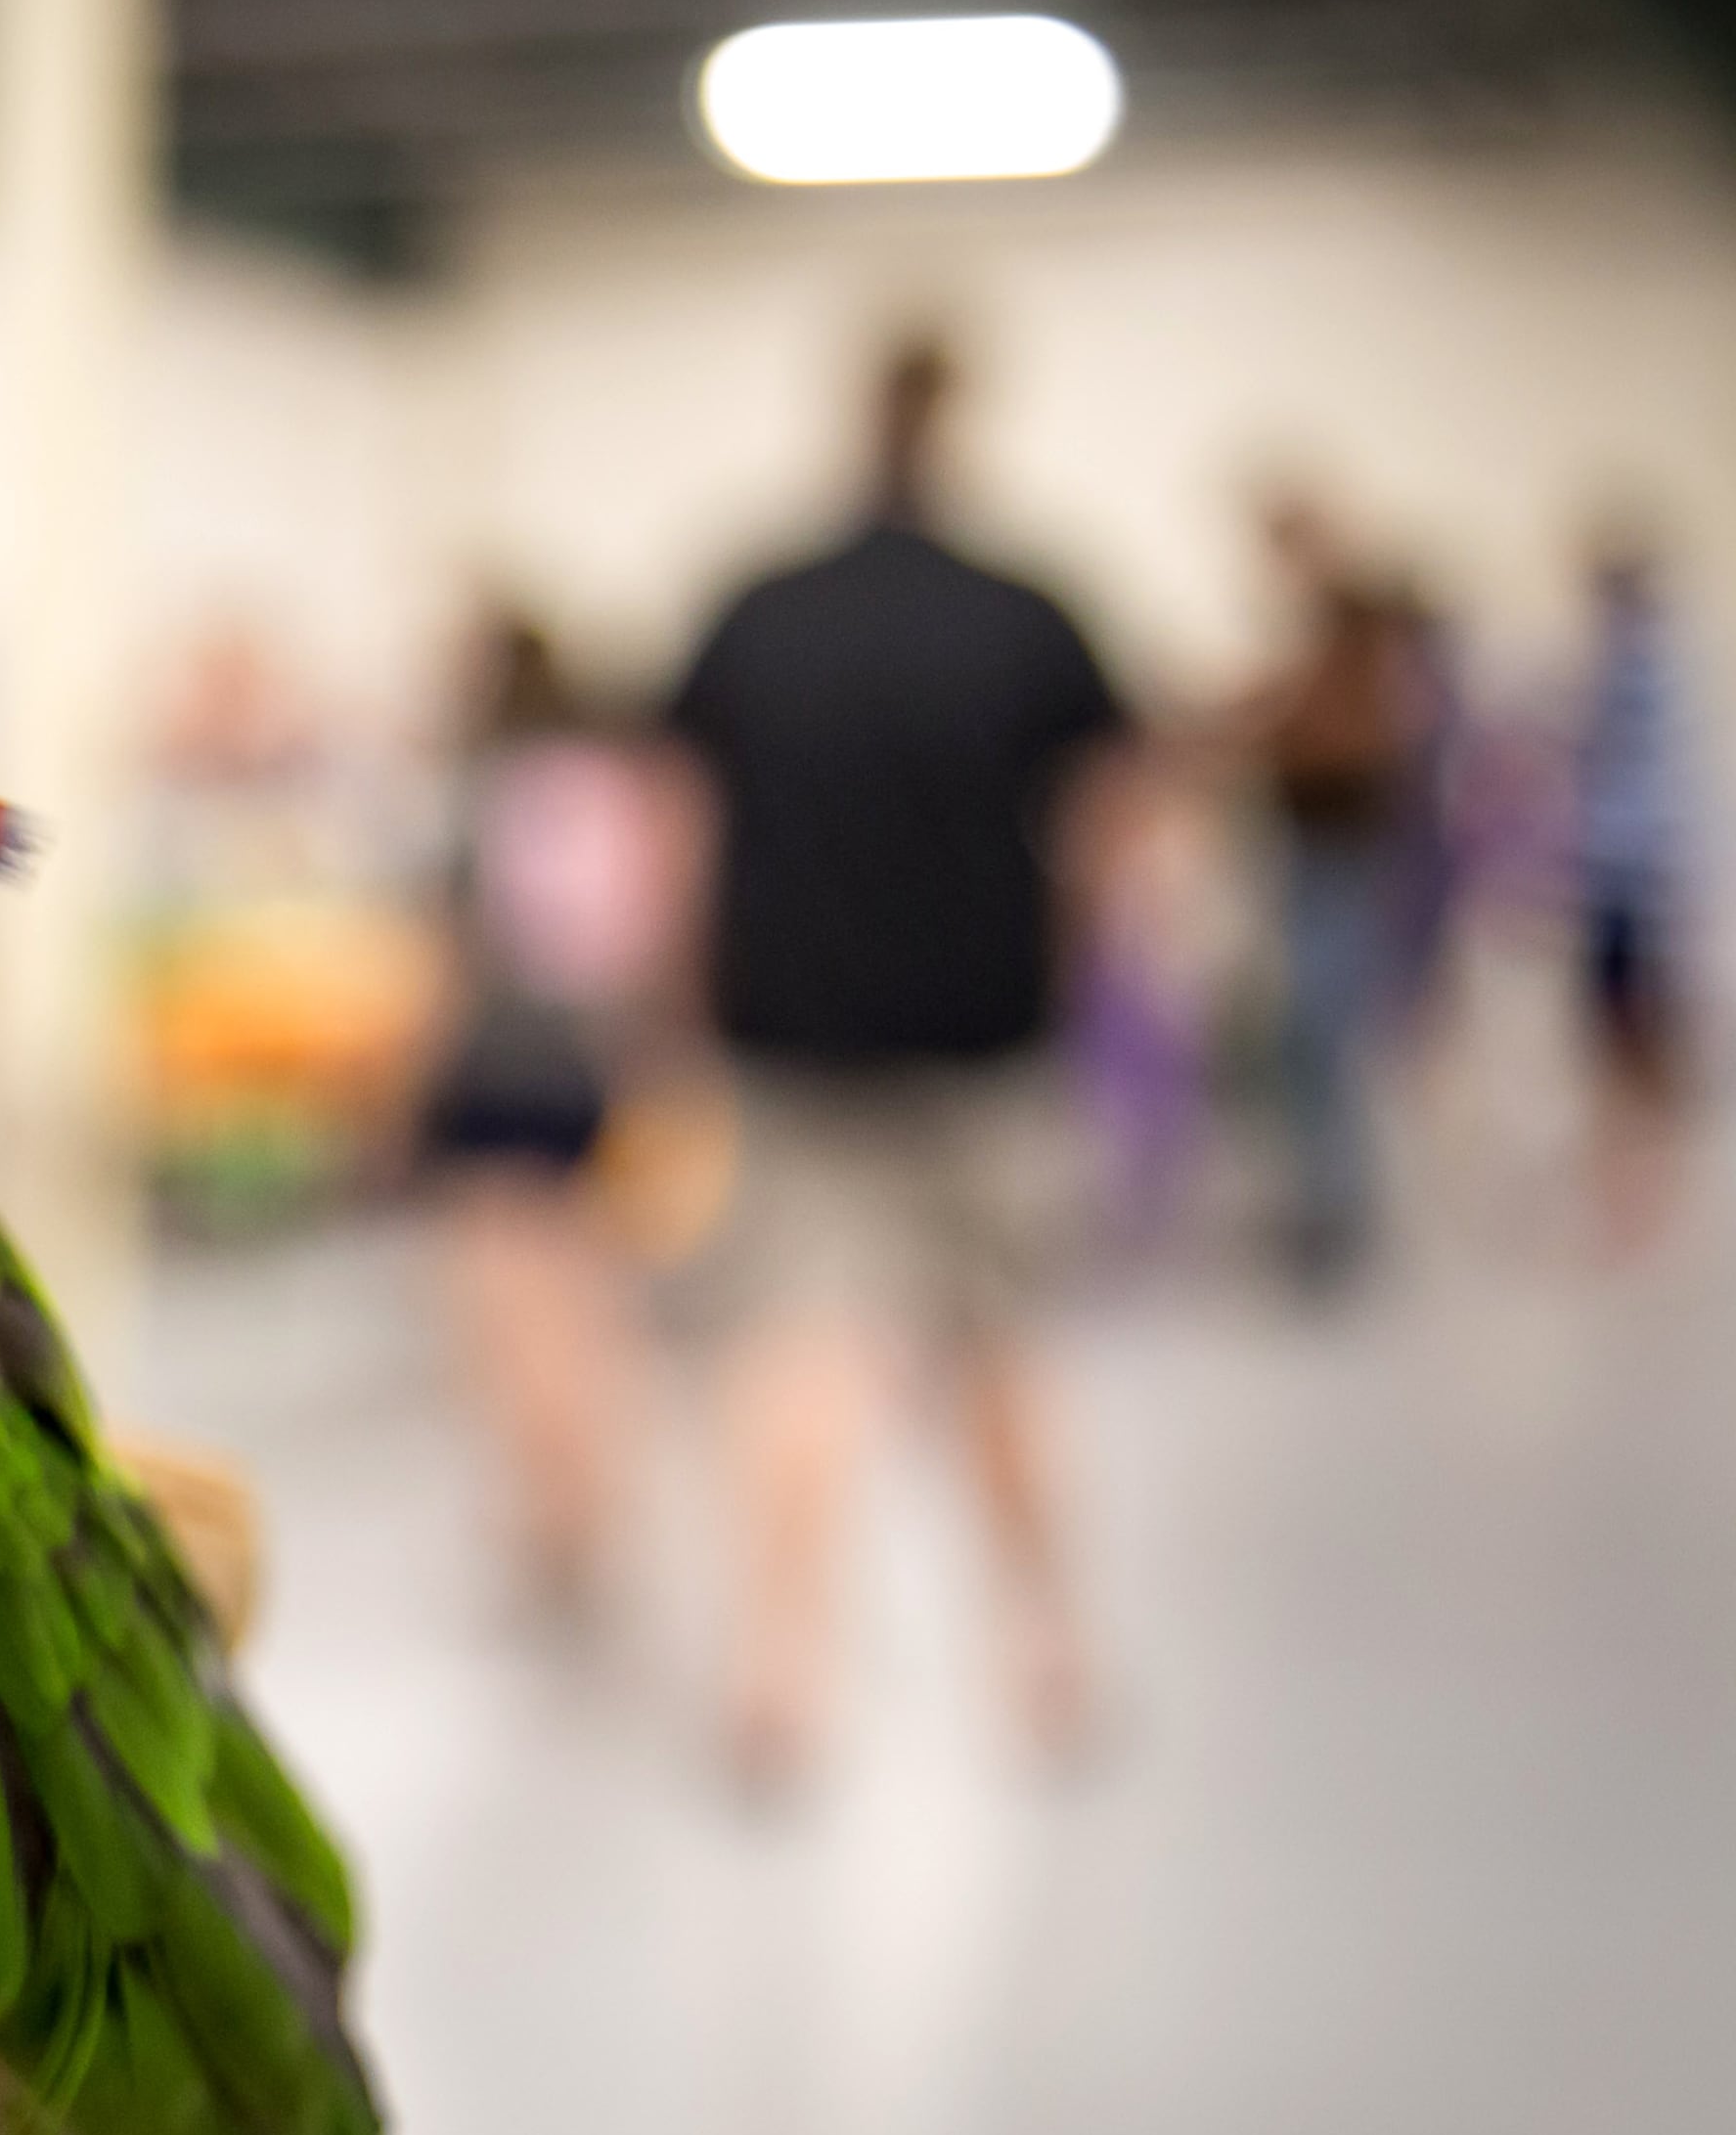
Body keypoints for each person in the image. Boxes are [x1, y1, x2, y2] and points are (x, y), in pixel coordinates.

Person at [665, 333, 1136, 1786]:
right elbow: (1112, 820)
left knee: (794, 1352)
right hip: (986, 1039)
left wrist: (683, 1007)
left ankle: (782, 1671)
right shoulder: (1029, 609)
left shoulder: (758, 606)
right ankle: (1045, 1647)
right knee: (998, 1346)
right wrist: (1074, 968)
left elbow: (683, 826)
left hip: (794, 1040)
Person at [415, 611, 692, 1622]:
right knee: (594, 1287)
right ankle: (600, 1493)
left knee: (505, 1294)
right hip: (601, 1054)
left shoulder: (485, 791)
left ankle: (547, 1506)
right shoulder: (613, 784)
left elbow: (452, 952)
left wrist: (405, 1084)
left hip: (499, 1059)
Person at [1248, 493, 1436, 1283]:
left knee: (1320, 1032)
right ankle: (1322, 1201)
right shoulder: (1317, 637)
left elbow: (1355, 738)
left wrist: (1269, 736)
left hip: (1340, 853)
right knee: (1301, 1040)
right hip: (1310, 849)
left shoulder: (1359, 631)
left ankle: (1336, 1211)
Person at [1570, 518, 1700, 1257]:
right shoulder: (1631, 656)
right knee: (1619, 1022)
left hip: (1632, 873)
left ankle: (1642, 1182)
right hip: (1622, 870)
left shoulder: (1639, 662)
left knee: (1633, 1026)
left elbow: (1631, 773)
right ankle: (1634, 1175)